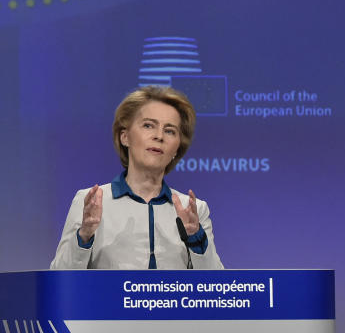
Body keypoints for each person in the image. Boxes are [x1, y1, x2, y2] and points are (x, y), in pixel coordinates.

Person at [50, 86, 222, 269]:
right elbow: (60, 279)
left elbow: (217, 288)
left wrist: (196, 237)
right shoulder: (91, 202)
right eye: (148, 125)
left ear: (177, 148)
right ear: (125, 137)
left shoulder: (193, 209)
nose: (159, 136)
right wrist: (84, 235)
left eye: (170, 131)